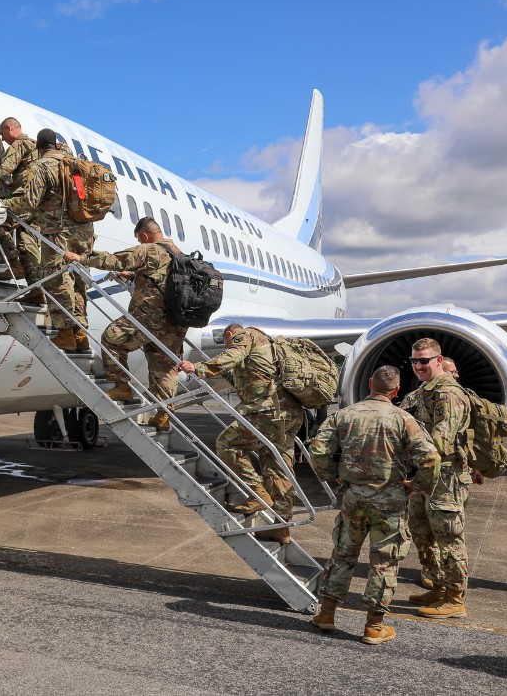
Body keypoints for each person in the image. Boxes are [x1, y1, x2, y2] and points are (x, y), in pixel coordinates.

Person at [309, 365, 440, 645]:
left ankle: (327, 614)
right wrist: (418, 486)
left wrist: (334, 478)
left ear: (370, 383)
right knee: (384, 562)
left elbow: (318, 450)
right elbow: (430, 458)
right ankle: (374, 626)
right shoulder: (403, 419)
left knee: (343, 554)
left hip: (354, 498)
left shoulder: (344, 415)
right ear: (396, 390)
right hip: (389, 502)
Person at [178, 324, 305, 541]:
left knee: (227, 444)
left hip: (267, 412)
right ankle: (281, 526)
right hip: (288, 413)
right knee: (277, 469)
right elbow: (240, 375)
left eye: (227, 342)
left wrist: (197, 368)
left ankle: (258, 493)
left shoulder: (244, 336)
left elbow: (232, 357)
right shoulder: (267, 346)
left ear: (229, 335)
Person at [64, 217, 189, 424]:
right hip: (176, 321)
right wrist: (133, 276)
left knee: (112, 338)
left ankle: (121, 386)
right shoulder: (179, 255)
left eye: (141, 240)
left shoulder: (150, 249)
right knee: (164, 367)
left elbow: (115, 259)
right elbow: (162, 280)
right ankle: (163, 415)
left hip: (150, 317)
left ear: (145, 236)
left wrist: (81, 258)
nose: (141, 243)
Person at [5, 128, 92, 353]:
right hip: (84, 233)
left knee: (57, 281)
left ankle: (64, 334)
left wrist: (2, 206)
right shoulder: (75, 165)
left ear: (39, 148)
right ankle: (80, 334)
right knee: (78, 281)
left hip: (57, 232)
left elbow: (28, 204)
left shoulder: (42, 166)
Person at [404, 337, 472, 618]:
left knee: (449, 537)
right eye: (414, 361)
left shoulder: (448, 394)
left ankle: (455, 599)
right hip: (425, 474)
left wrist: (408, 446)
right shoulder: (424, 390)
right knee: (422, 532)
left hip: (444, 477)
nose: (418, 366)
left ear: (439, 360)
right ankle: (439, 587)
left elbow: (441, 440)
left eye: (424, 360)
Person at [0, 118, 39, 282]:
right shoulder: (36, 147)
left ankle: (14, 265)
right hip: (39, 203)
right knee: (27, 245)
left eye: (2, 134)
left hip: (25, 200)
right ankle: (36, 290)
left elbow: (4, 170)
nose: (2, 139)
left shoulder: (20, 144)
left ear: (9, 128)